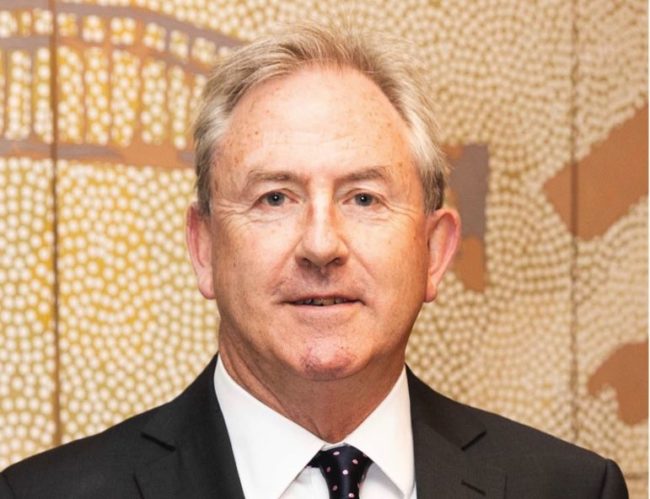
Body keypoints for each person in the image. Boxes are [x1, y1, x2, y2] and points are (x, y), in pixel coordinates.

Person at [1, 22, 628, 499]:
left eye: (364, 198)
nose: (322, 245)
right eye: (275, 197)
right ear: (204, 249)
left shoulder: (571, 489)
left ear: (435, 252)